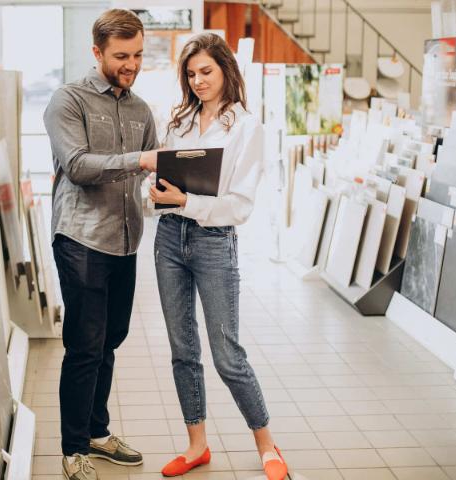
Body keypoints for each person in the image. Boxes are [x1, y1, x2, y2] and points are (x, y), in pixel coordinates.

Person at [148, 33, 288, 480]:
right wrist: (155, 193)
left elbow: (240, 206)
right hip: (169, 236)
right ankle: (197, 445)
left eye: (206, 71)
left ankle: (267, 445)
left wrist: (188, 202)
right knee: (182, 349)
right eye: (191, 74)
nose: (198, 81)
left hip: (213, 241)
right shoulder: (179, 120)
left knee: (227, 352)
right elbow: (160, 179)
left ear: (227, 69)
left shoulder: (248, 128)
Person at [43, 9, 159, 480]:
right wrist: (141, 159)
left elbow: (152, 169)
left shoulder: (141, 109)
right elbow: (78, 165)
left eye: (137, 55)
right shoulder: (67, 100)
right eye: (121, 56)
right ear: (97, 52)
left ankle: (96, 431)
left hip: (125, 240)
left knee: (110, 340)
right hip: (82, 239)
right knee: (85, 346)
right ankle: (73, 449)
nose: (131, 64)